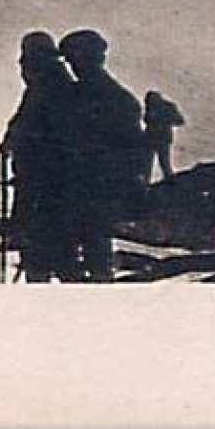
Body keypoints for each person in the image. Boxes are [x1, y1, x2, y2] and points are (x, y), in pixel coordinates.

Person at [58, 29, 147, 282]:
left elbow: (131, 151)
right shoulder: (115, 98)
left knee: (91, 255)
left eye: (76, 60)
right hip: (87, 189)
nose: (74, 67)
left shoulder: (112, 100)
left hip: (93, 189)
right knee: (88, 254)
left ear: (92, 59)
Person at [0, 32, 80, 283]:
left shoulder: (46, 86)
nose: (23, 67)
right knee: (55, 252)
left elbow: (27, 124)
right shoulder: (54, 84)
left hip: (42, 182)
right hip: (50, 182)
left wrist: (11, 140)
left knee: (41, 253)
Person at [143, 90, 186, 182]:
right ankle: (147, 182)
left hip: (162, 139)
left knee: (164, 163)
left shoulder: (168, 107)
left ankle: (170, 182)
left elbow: (180, 121)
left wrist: (163, 118)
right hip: (152, 138)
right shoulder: (151, 107)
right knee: (148, 164)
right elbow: (146, 119)